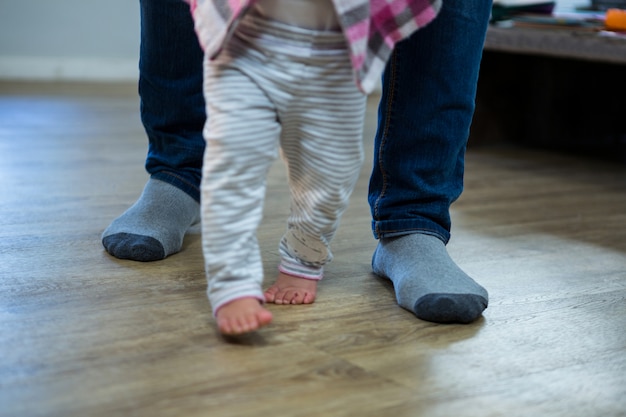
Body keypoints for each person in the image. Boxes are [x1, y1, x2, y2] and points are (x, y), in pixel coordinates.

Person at [102, 0, 490, 331]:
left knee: (332, 171)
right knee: (232, 165)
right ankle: (226, 274)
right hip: (245, 42)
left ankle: (404, 221)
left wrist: (304, 258)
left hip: (338, 49)